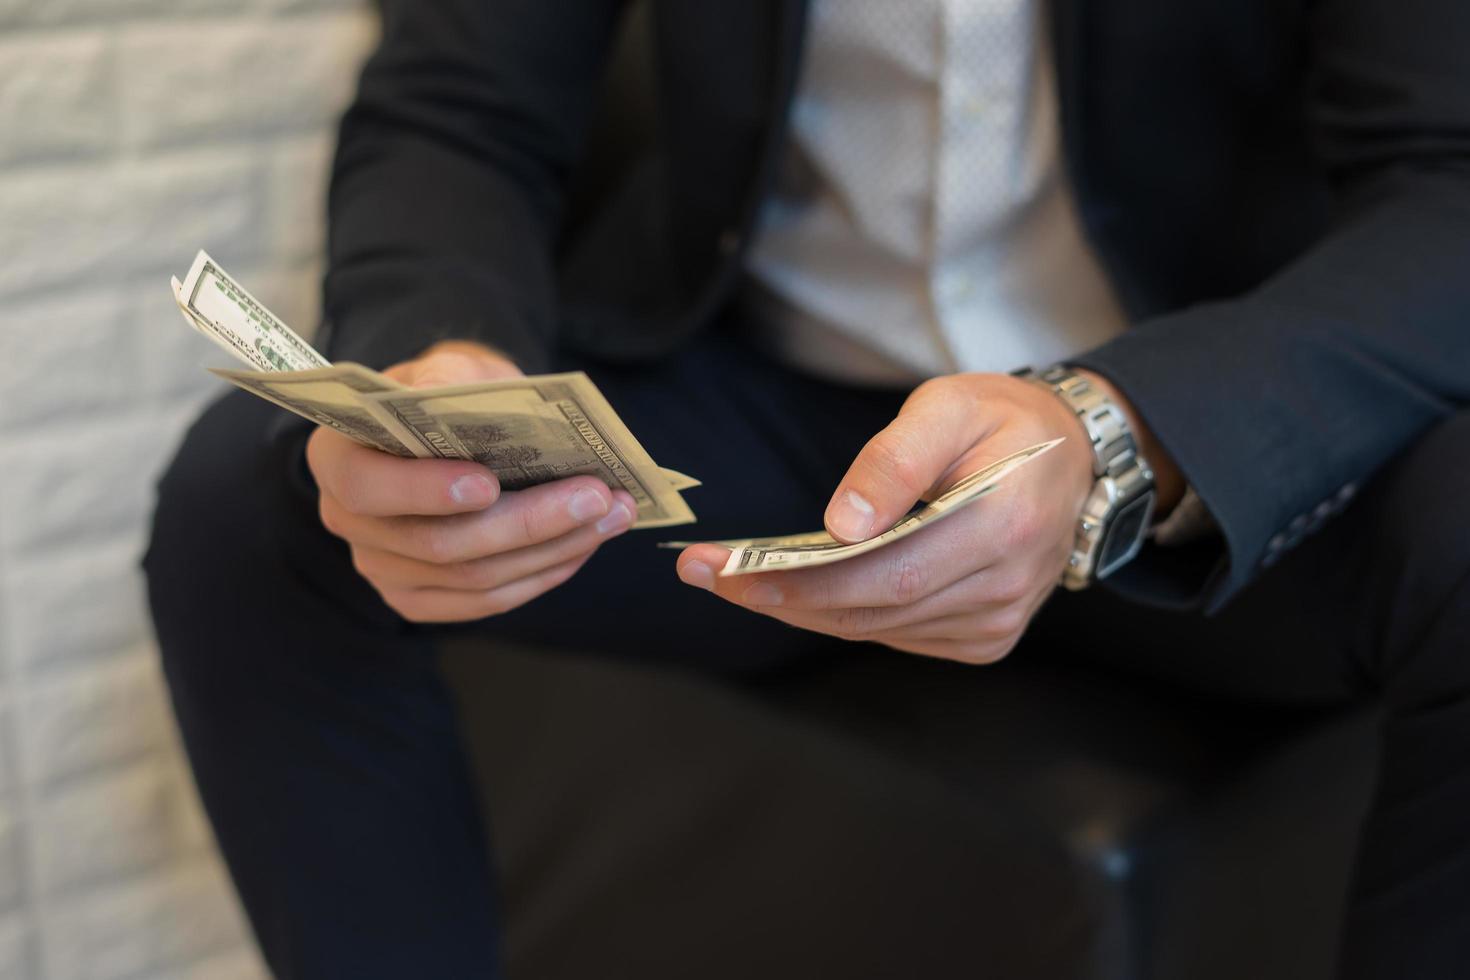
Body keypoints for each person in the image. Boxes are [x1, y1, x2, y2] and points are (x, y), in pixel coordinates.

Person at [145, 1, 1470, 977]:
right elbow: (455, 105)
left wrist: (1122, 429)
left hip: (1198, 423)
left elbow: (1445, 185)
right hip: (788, 434)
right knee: (252, 504)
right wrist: (448, 362)